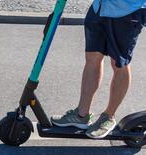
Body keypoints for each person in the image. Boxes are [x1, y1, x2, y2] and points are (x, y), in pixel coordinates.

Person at [51, 0, 146, 139]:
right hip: (99, 8)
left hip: (128, 10)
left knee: (119, 63)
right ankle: (81, 115)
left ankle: (109, 116)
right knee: (92, 58)